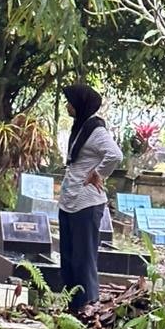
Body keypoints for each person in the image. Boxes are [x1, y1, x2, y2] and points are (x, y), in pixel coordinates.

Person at [59, 83, 121, 315]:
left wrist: (99, 173)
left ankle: (88, 306)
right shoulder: (81, 128)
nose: (67, 106)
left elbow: (115, 154)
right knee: (68, 255)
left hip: (86, 202)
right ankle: (72, 305)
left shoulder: (96, 131)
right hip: (70, 200)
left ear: (80, 105)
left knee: (83, 257)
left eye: (70, 103)